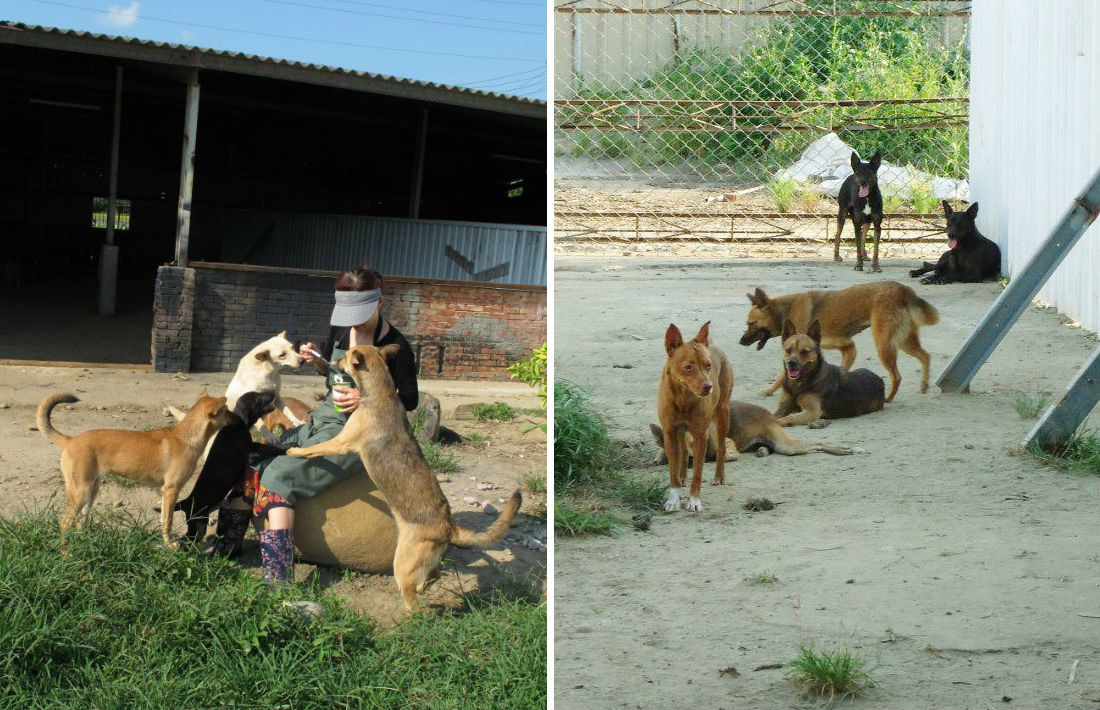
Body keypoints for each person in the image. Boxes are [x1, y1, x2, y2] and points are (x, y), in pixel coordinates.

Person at [207, 265, 419, 584]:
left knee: (278, 475)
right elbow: (331, 372)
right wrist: (316, 360)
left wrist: (366, 400)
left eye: (359, 313)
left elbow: (410, 400)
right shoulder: (339, 329)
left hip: (357, 434)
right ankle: (229, 541)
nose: (352, 322)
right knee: (254, 456)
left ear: (380, 302)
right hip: (321, 420)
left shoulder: (396, 345)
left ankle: (278, 580)